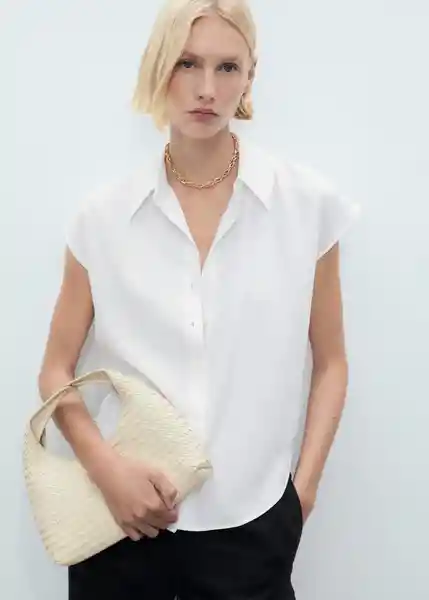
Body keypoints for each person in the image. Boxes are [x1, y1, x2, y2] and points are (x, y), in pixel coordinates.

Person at [38, 0, 360, 598]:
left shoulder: (306, 207)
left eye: (227, 67)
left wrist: (302, 494)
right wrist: (107, 472)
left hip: (254, 523)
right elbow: (55, 369)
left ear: (250, 76)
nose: (207, 88)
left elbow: (331, 361)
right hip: (121, 526)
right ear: (159, 67)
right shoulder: (102, 219)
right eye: (187, 63)